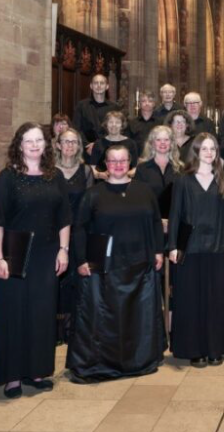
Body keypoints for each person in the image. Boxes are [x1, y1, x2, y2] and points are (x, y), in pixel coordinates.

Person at [67, 145, 166, 382]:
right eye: (113, 161)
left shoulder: (145, 191)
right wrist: (81, 260)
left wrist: (159, 251)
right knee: (106, 320)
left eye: (123, 160)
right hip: (105, 269)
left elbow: (154, 222)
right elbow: (79, 228)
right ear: (106, 164)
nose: (118, 165)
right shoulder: (93, 194)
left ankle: (138, 360)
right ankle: (106, 363)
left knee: (137, 318)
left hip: (140, 266)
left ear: (130, 163)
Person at [0, 122, 72, 398]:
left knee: (41, 312)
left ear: (46, 144)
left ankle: (37, 370)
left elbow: (64, 218)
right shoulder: (7, 178)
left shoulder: (55, 176)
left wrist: (64, 249)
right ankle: (12, 375)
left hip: (46, 254)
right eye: (29, 140)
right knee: (14, 313)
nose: (35, 145)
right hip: (15, 253)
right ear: (19, 144)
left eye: (39, 140)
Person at [167, 134, 224, 367]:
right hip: (190, 248)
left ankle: (215, 348)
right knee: (191, 300)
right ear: (195, 151)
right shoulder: (183, 180)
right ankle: (194, 349)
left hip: (217, 247)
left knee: (216, 300)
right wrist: (173, 246)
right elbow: (175, 214)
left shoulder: (223, 178)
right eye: (204, 148)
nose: (209, 153)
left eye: (213, 148)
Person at [55, 128, 94, 343]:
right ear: (58, 145)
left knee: (75, 281)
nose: (70, 146)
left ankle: (72, 329)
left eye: (74, 142)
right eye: (65, 142)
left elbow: (90, 203)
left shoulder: (86, 171)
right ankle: (55, 329)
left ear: (79, 146)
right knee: (56, 280)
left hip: (79, 231)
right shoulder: (49, 170)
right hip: (54, 231)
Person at [134, 125, 182, 205]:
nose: (162, 142)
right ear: (152, 143)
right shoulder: (142, 168)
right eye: (158, 140)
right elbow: (137, 197)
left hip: (176, 216)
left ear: (172, 143)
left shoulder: (181, 168)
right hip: (150, 215)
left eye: (166, 139)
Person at [73, 73, 121, 147]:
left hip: (109, 147)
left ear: (107, 86)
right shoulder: (81, 106)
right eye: (96, 83)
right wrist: (87, 145)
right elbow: (77, 129)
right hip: (87, 149)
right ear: (91, 86)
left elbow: (118, 128)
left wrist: (105, 144)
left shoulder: (114, 107)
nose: (99, 85)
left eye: (102, 83)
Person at [88, 111, 139, 180]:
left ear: (122, 125)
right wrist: (100, 174)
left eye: (117, 122)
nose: (114, 125)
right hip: (103, 182)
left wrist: (120, 174)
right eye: (110, 122)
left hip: (126, 182)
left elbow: (135, 168)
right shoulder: (98, 143)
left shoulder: (131, 143)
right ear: (106, 124)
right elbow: (92, 168)